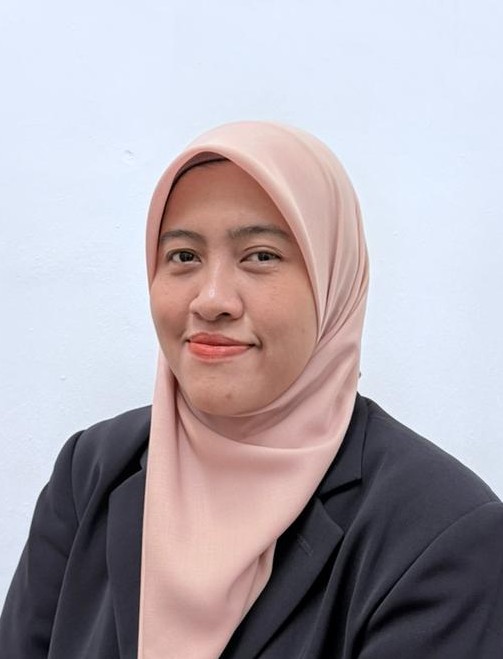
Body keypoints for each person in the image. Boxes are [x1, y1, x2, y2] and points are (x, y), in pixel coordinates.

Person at [1, 121, 502, 659]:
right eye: (184, 257)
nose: (212, 299)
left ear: (333, 281)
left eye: (261, 256)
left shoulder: (442, 533)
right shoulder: (92, 470)